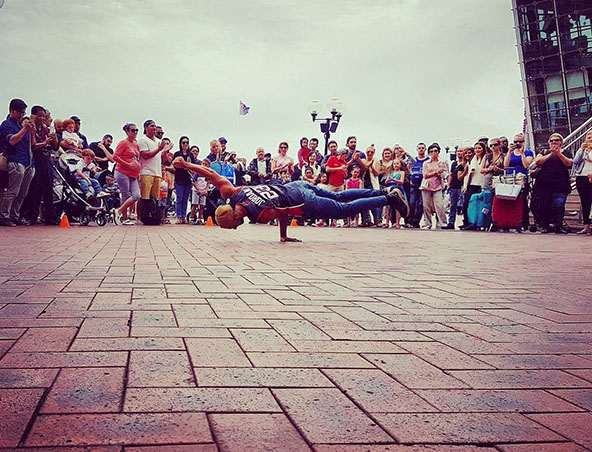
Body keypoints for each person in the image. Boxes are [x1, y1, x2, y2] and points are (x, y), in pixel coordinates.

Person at [172, 157, 409, 242]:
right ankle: (384, 192)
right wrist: (185, 164)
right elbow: (212, 174)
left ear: (233, 219)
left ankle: (388, 199)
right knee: (338, 195)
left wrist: (283, 235)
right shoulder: (234, 193)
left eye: (232, 226)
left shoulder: (260, 216)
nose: (235, 228)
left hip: (301, 200)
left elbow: (283, 212)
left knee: (340, 209)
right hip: (295, 184)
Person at [0, 99, 36, 227]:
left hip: (28, 162)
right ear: (12, 111)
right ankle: (4, 216)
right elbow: (12, 141)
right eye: (20, 112)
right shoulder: (6, 124)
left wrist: (32, 132)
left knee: (22, 193)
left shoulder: (22, 125)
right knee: (12, 191)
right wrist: (24, 130)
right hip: (15, 161)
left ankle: (14, 215)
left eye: (23, 112)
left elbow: (32, 144)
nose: (22, 115)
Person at [21, 105, 58, 225]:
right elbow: (33, 146)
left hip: (47, 159)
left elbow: (55, 147)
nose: (42, 118)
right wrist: (45, 142)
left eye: (44, 116)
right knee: (35, 189)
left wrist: (54, 139)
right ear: (34, 116)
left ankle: (50, 218)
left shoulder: (46, 129)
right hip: (36, 159)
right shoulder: (31, 128)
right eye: (40, 116)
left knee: (48, 188)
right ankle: (30, 216)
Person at [533, 133, 573, 234]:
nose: (554, 142)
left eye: (556, 140)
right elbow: (538, 161)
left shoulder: (566, 152)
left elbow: (569, 163)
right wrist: (551, 154)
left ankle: (558, 225)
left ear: (561, 143)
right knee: (544, 205)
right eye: (551, 140)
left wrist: (558, 154)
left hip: (561, 184)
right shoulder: (543, 152)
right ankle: (545, 225)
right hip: (544, 184)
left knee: (559, 205)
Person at [137, 119, 173, 224]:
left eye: (155, 126)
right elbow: (145, 155)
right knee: (144, 197)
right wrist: (159, 149)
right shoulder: (142, 140)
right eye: (152, 126)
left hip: (157, 173)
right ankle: (139, 217)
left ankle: (153, 217)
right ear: (146, 128)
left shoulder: (158, 141)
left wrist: (165, 151)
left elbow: (164, 160)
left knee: (156, 198)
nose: (154, 128)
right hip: (146, 172)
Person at [503, 133, 534, 231]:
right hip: (510, 178)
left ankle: (522, 223)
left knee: (522, 201)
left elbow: (526, 165)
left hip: (521, 179)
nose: (517, 144)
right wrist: (509, 152)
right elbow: (505, 165)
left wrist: (522, 153)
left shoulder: (528, 152)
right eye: (515, 142)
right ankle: (509, 221)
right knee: (509, 201)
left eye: (520, 142)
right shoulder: (511, 153)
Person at [113, 123, 141, 225]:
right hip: (122, 172)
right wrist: (128, 164)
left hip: (133, 174)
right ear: (127, 131)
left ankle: (119, 211)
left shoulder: (136, 144)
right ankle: (124, 218)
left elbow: (137, 157)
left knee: (136, 195)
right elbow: (115, 157)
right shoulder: (123, 143)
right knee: (125, 195)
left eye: (136, 130)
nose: (135, 132)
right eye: (133, 130)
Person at [421, 142, 448, 229]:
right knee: (426, 206)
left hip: (438, 186)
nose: (433, 153)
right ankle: (427, 224)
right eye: (431, 151)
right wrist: (436, 172)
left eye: (435, 151)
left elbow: (445, 174)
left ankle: (443, 223)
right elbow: (425, 175)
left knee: (439, 205)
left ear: (438, 152)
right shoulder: (426, 163)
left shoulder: (442, 162)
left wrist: (440, 173)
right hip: (426, 186)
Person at [460, 141, 486, 230]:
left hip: (480, 185)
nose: (477, 150)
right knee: (466, 205)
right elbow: (469, 175)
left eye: (479, 148)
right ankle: (467, 222)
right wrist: (465, 187)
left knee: (477, 205)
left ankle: (475, 223)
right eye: (476, 148)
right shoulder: (473, 160)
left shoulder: (484, 158)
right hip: (471, 185)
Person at [172, 136, 195, 224]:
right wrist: (183, 165)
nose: (185, 144)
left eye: (187, 142)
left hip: (188, 180)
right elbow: (174, 165)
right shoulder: (177, 154)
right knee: (179, 199)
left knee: (185, 199)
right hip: (179, 179)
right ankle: (179, 216)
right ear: (180, 144)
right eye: (183, 142)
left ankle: (183, 216)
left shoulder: (190, 155)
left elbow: (193, 166)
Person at [573, 130, 592, 234]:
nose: (591, 140)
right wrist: (582, 150)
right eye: (589, 138)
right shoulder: (582, 149)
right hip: (582, 177)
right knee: (585, 202)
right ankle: (586, 226)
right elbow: (575, 161)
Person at [408, 143, 429, 228]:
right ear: (417, 149)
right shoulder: (414, 160)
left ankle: (416, 221)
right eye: (419, 148)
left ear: (425, 149)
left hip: (423, 184)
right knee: (412, 203)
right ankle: (410, 220)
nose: (421, 149)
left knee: (421, 204)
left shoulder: (427, 160)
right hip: (413, 184)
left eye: (422, 148)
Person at [445, 148, 464, 229]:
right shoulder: (454, 164)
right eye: (458, 151)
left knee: (463, 205)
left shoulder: (466, 164)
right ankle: (451, 222)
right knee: (452, 205)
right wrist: (449, 185)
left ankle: (465, 221)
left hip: (462, 187)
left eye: (461, 151)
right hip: (453, 187)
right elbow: (451, 174)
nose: (459, 153)